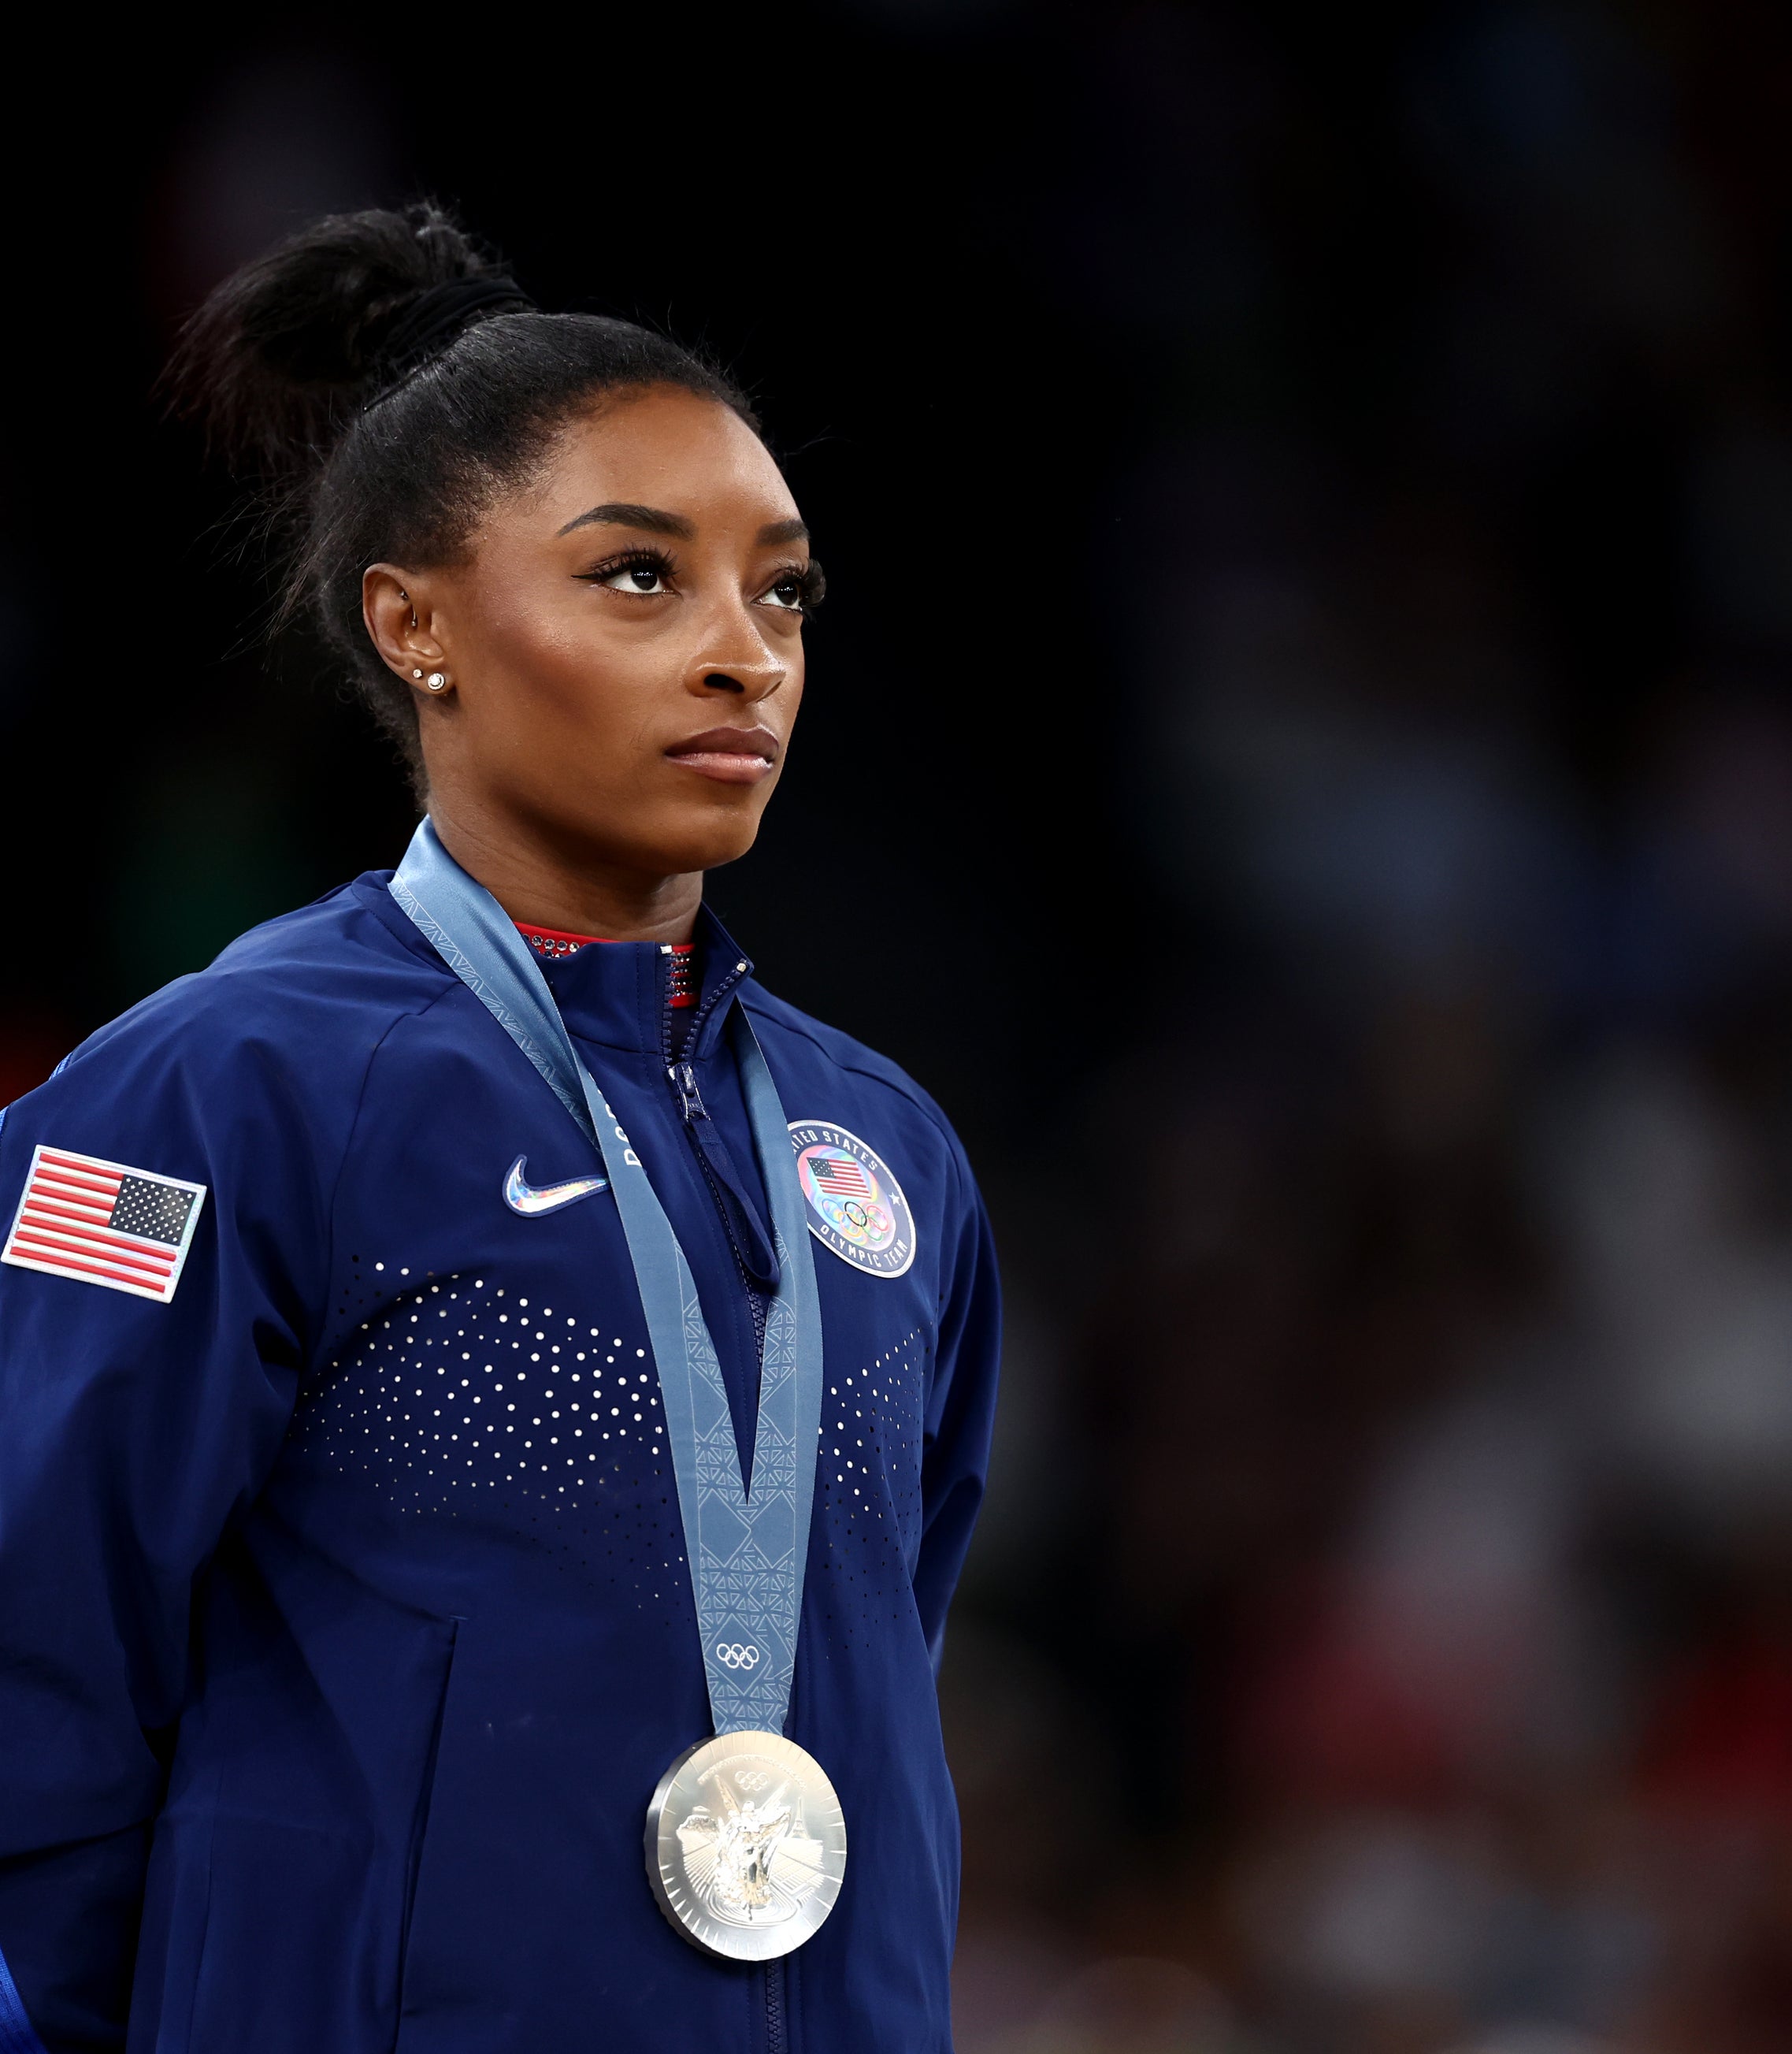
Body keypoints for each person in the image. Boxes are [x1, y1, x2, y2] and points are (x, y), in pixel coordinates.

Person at [0, 203, 1000, 2054]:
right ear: (417, 620)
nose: (744, 654)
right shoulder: (209, 1093)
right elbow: (30, 1655)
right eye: (641, 576)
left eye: (781, 588)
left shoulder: (887, 1155)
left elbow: (860, 1649)